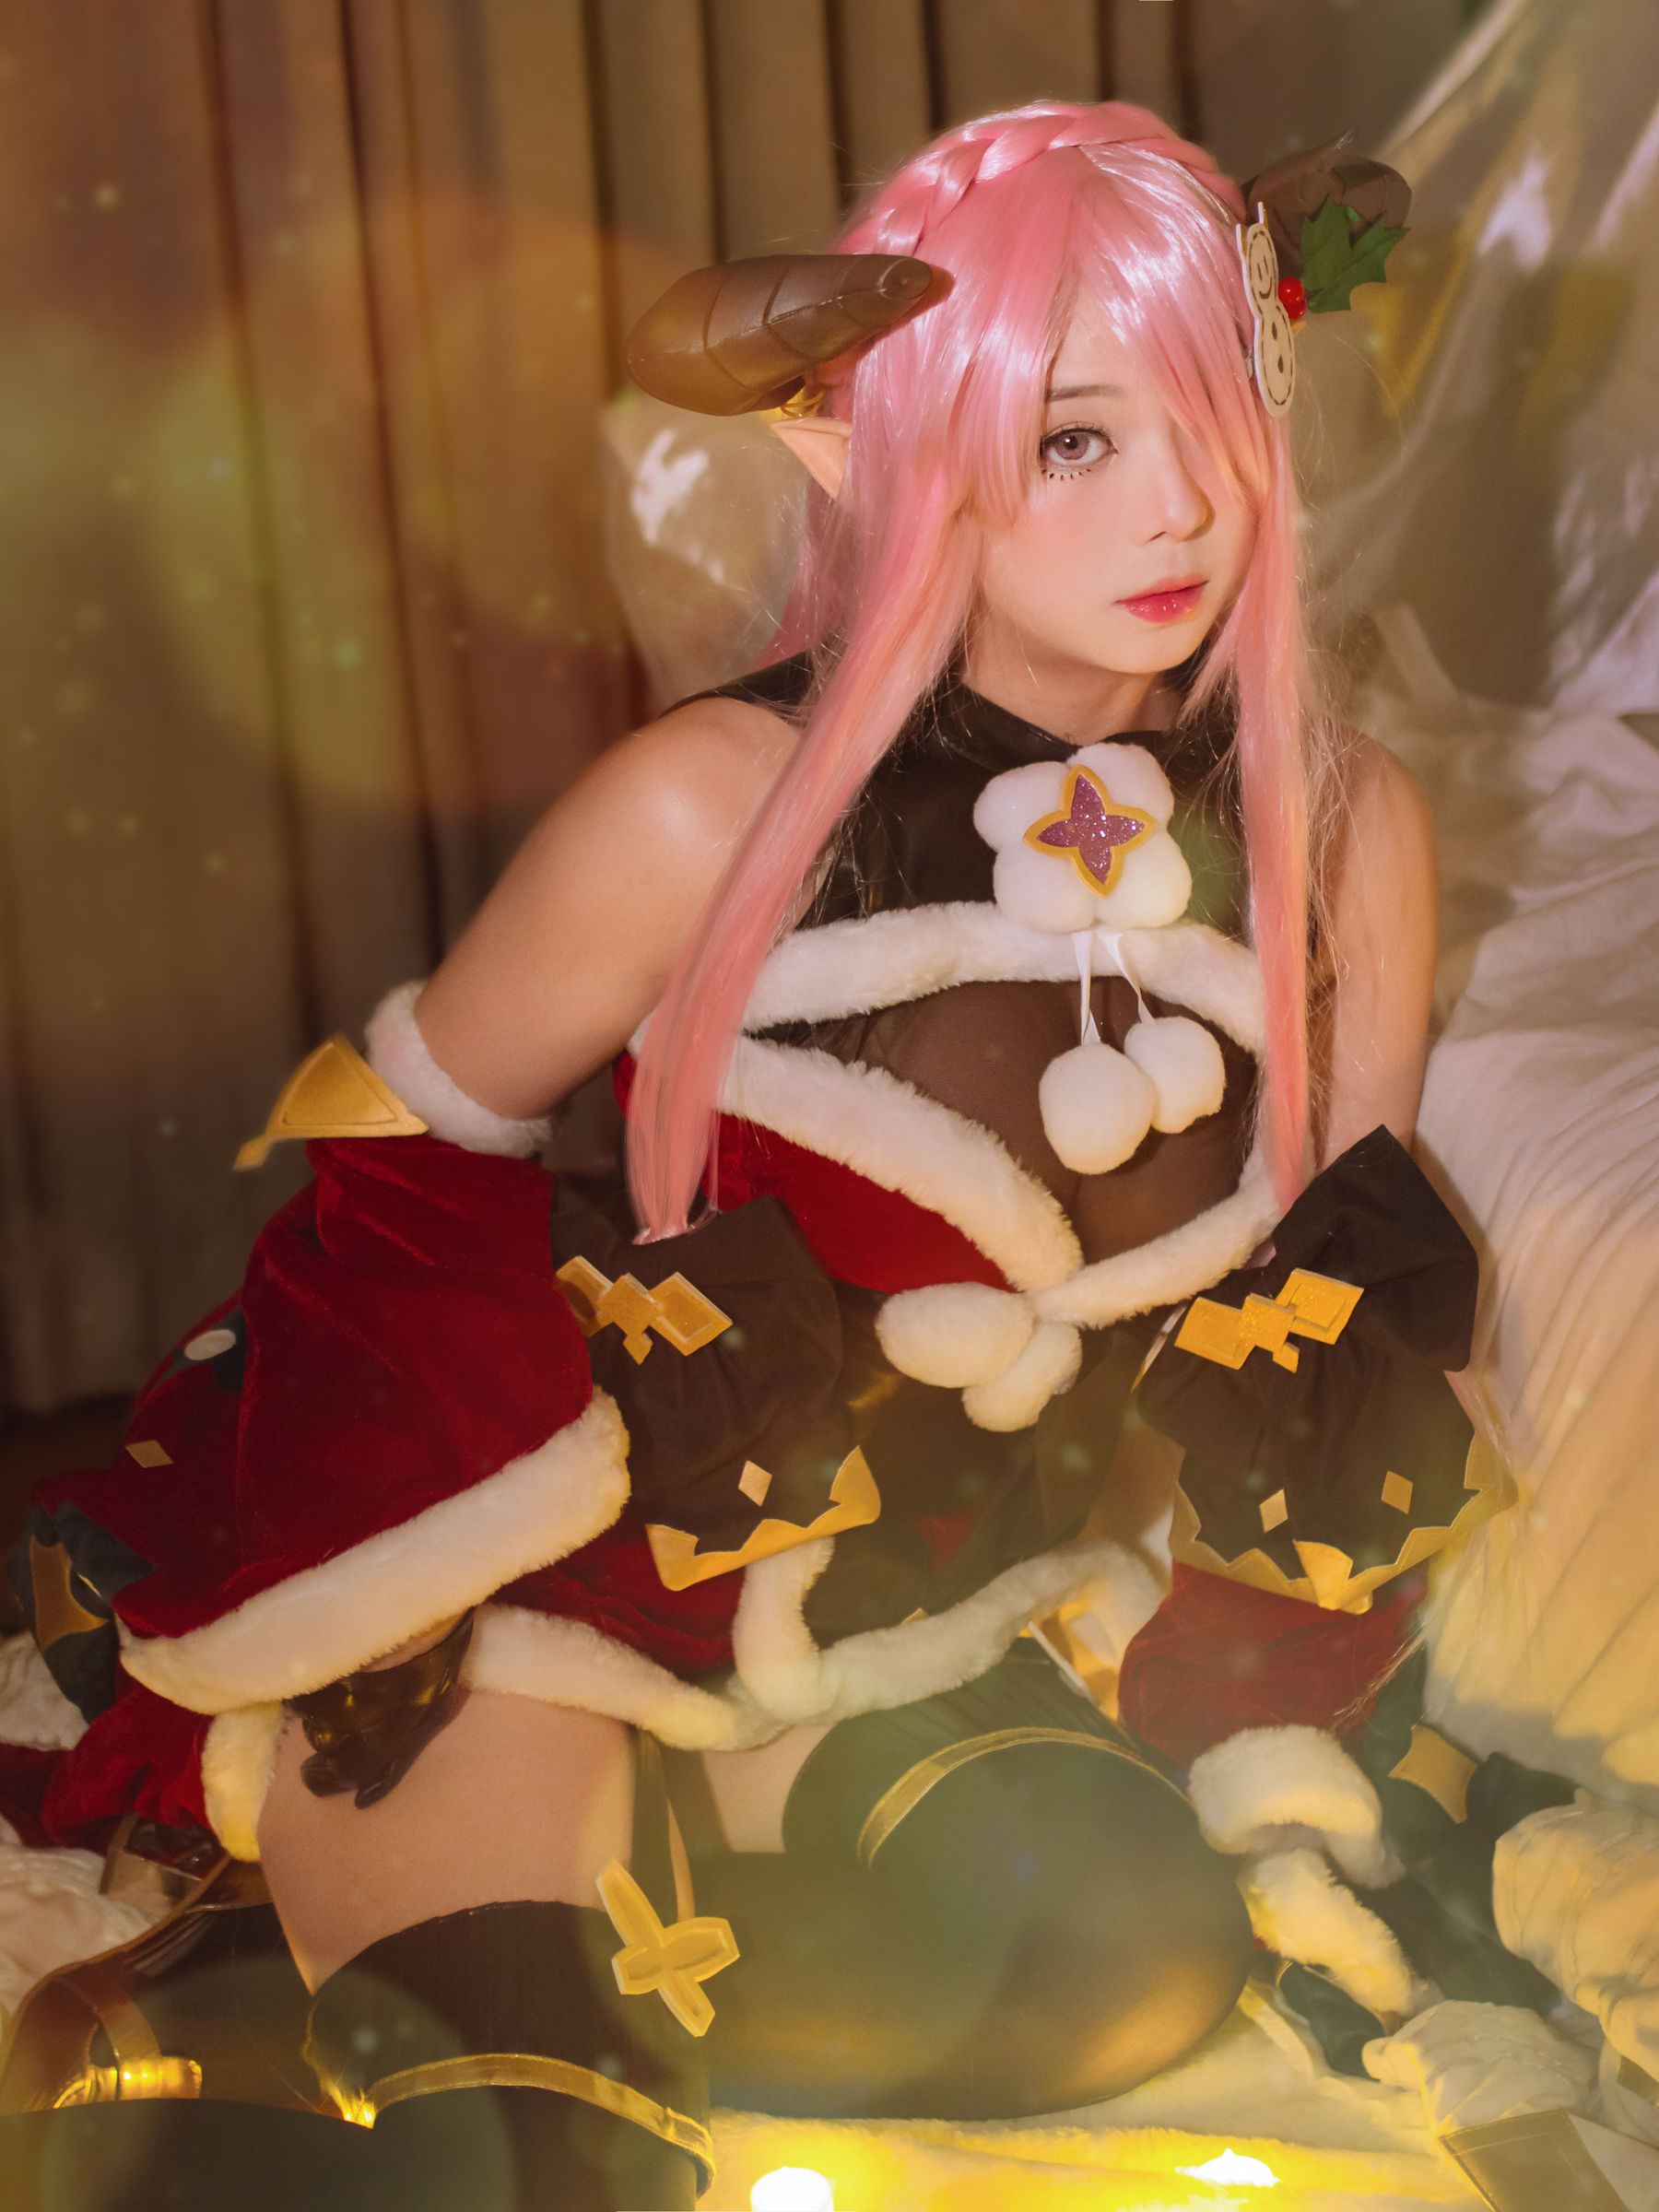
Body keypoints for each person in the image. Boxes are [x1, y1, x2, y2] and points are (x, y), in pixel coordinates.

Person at [4, 102, 1531, 2212]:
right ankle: (381, 1936)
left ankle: (501, 1941)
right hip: (544, 1591)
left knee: (1132, 1969)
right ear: (885, 449)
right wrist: (427, 1540)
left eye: (1212, 413)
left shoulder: (1341, 832)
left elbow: (1338, 1333)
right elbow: (401, 1180)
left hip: (904, 1623)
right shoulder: (706, 802)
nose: (1183, 503)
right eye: (1074, 440)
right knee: (540, 2154)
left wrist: (1266, 1681)